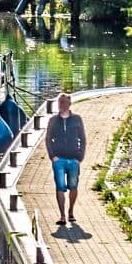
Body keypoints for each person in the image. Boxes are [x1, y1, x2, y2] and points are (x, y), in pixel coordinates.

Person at [45, 92, 87, 226]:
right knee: (60, 186)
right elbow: (48, 139)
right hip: (59, 159)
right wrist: (52, 156)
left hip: (74, 158)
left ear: (69, 104)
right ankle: (62, 215)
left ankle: (71, 211)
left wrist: (80, 156)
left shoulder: (77, 119)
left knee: (73, 185)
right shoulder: (53, 120)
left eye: (63, 103)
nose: (61, 105)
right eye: (59, 102)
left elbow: (83, 138)